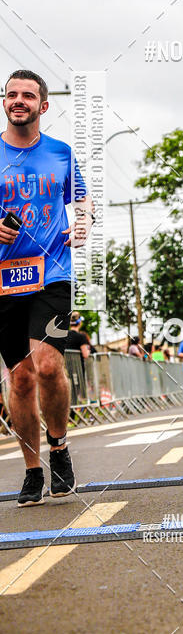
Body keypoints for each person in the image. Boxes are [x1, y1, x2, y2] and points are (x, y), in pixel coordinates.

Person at [0, 70, 93, 506]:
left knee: (49, 365)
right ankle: (33, 468)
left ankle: (60, 447)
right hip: (3, 281)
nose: (19, 100)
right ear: (5, 102)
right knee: (20, 380)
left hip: (52, 273)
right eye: (11, 94)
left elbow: (81, 197)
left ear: (43, 105)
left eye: (28, 95)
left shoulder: (61, 153)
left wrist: (84, 222)